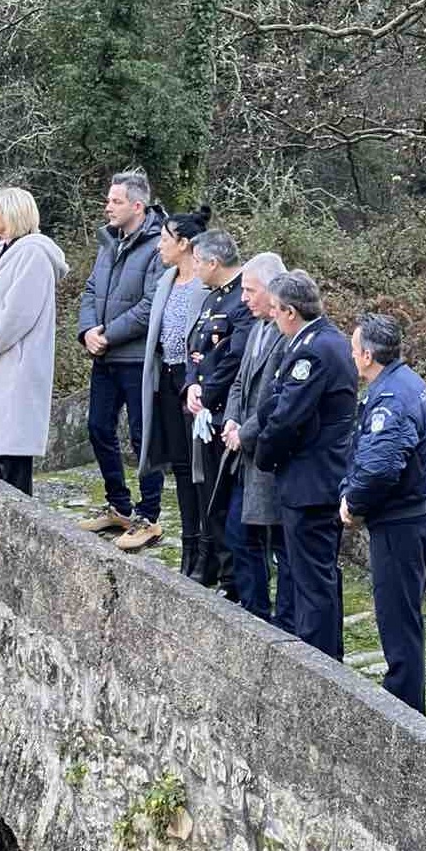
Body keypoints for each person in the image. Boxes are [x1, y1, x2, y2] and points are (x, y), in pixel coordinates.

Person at [341, 313, 426, 713]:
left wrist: (354, 503)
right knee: (404, 615)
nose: (351, 355)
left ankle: (405, 713)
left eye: (354, 349)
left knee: (397, 619)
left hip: (401, 522)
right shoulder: (407, 382)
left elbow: (381, 466)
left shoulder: (392, 398)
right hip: (416, 516)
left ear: (367, 356)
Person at [254, 270, 357, 660]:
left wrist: (264, 456)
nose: (272, 316)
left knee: (312, 580)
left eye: (275, 309)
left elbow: (287, 417)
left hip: (312, 480)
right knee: (317, 575)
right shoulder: (324, 340)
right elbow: (274, 401)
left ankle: (320, 663)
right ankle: (327, 656)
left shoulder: (313, 350)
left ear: (290, 312)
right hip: (318, 476)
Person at [76, 170, 166, 543]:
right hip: (105, 356)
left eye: (115, 201)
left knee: (143, 437)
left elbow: (151, 305)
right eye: (108, 200)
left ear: (137, 206)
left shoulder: (159, 245)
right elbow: (90, 289)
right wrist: (87, 332)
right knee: (98, 428)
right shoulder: (109, 241)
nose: (108, 207)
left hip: (137, 358)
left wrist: (107, 335)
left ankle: (149, 516)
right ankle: (119, 506)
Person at [0, 188, 69, 495]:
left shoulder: (34, 254)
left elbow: (17, 313)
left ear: (12, 214)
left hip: (15, 363)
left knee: (13, 454)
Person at [222, 252, 294, 629]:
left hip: (268, 454)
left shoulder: (287, 335)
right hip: (245, 452)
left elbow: (275, 399)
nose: (244, 298)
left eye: (250, 290)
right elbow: (240, 381)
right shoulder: (256, 328)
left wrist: (244, 432)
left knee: (278, 542)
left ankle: (282, 623)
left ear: (271, 290)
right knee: (239, 533)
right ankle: (255, 612)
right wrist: (232, 419)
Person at [137, 207, 212, 564]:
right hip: (167, 378)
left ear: (184, 243)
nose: (159, 246)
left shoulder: (205, 284)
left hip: (192, 379)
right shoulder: (167, 280)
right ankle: (189, 543)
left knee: (199, 467)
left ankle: (207, 547)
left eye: (165, 239)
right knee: (181, 465)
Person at [182, 229, 251, 596]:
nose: (193, 268)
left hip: (225, 414)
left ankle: (233, 578)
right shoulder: (212, 298)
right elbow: (196, 350)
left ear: (213, 262)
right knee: (208, 494)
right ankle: (222, 571)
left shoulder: (243, 299)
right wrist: (191, 385)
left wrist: (207, 392)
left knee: (225, 499)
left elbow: (233, 359)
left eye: (197, 261)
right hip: (203, 411)